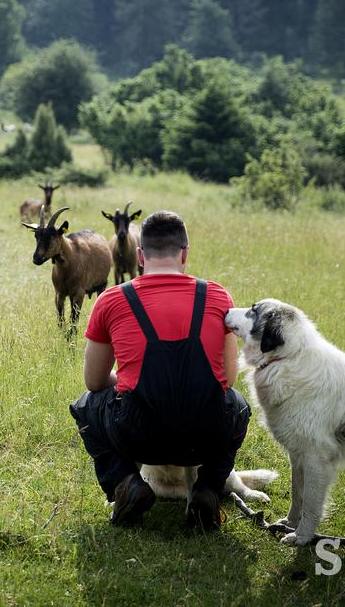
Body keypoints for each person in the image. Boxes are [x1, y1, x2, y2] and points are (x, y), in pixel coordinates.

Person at [70, 210, 251, 529]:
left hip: (139, 434)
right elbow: (227, 378)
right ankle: (206, 490)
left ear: (140, 255)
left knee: (85, 406)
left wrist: (125, 380)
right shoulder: (218, 296)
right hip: (203, 434)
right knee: (237, 406)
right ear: (185, 253)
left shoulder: (111, 300)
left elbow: (94, 381)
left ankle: (126, 483)